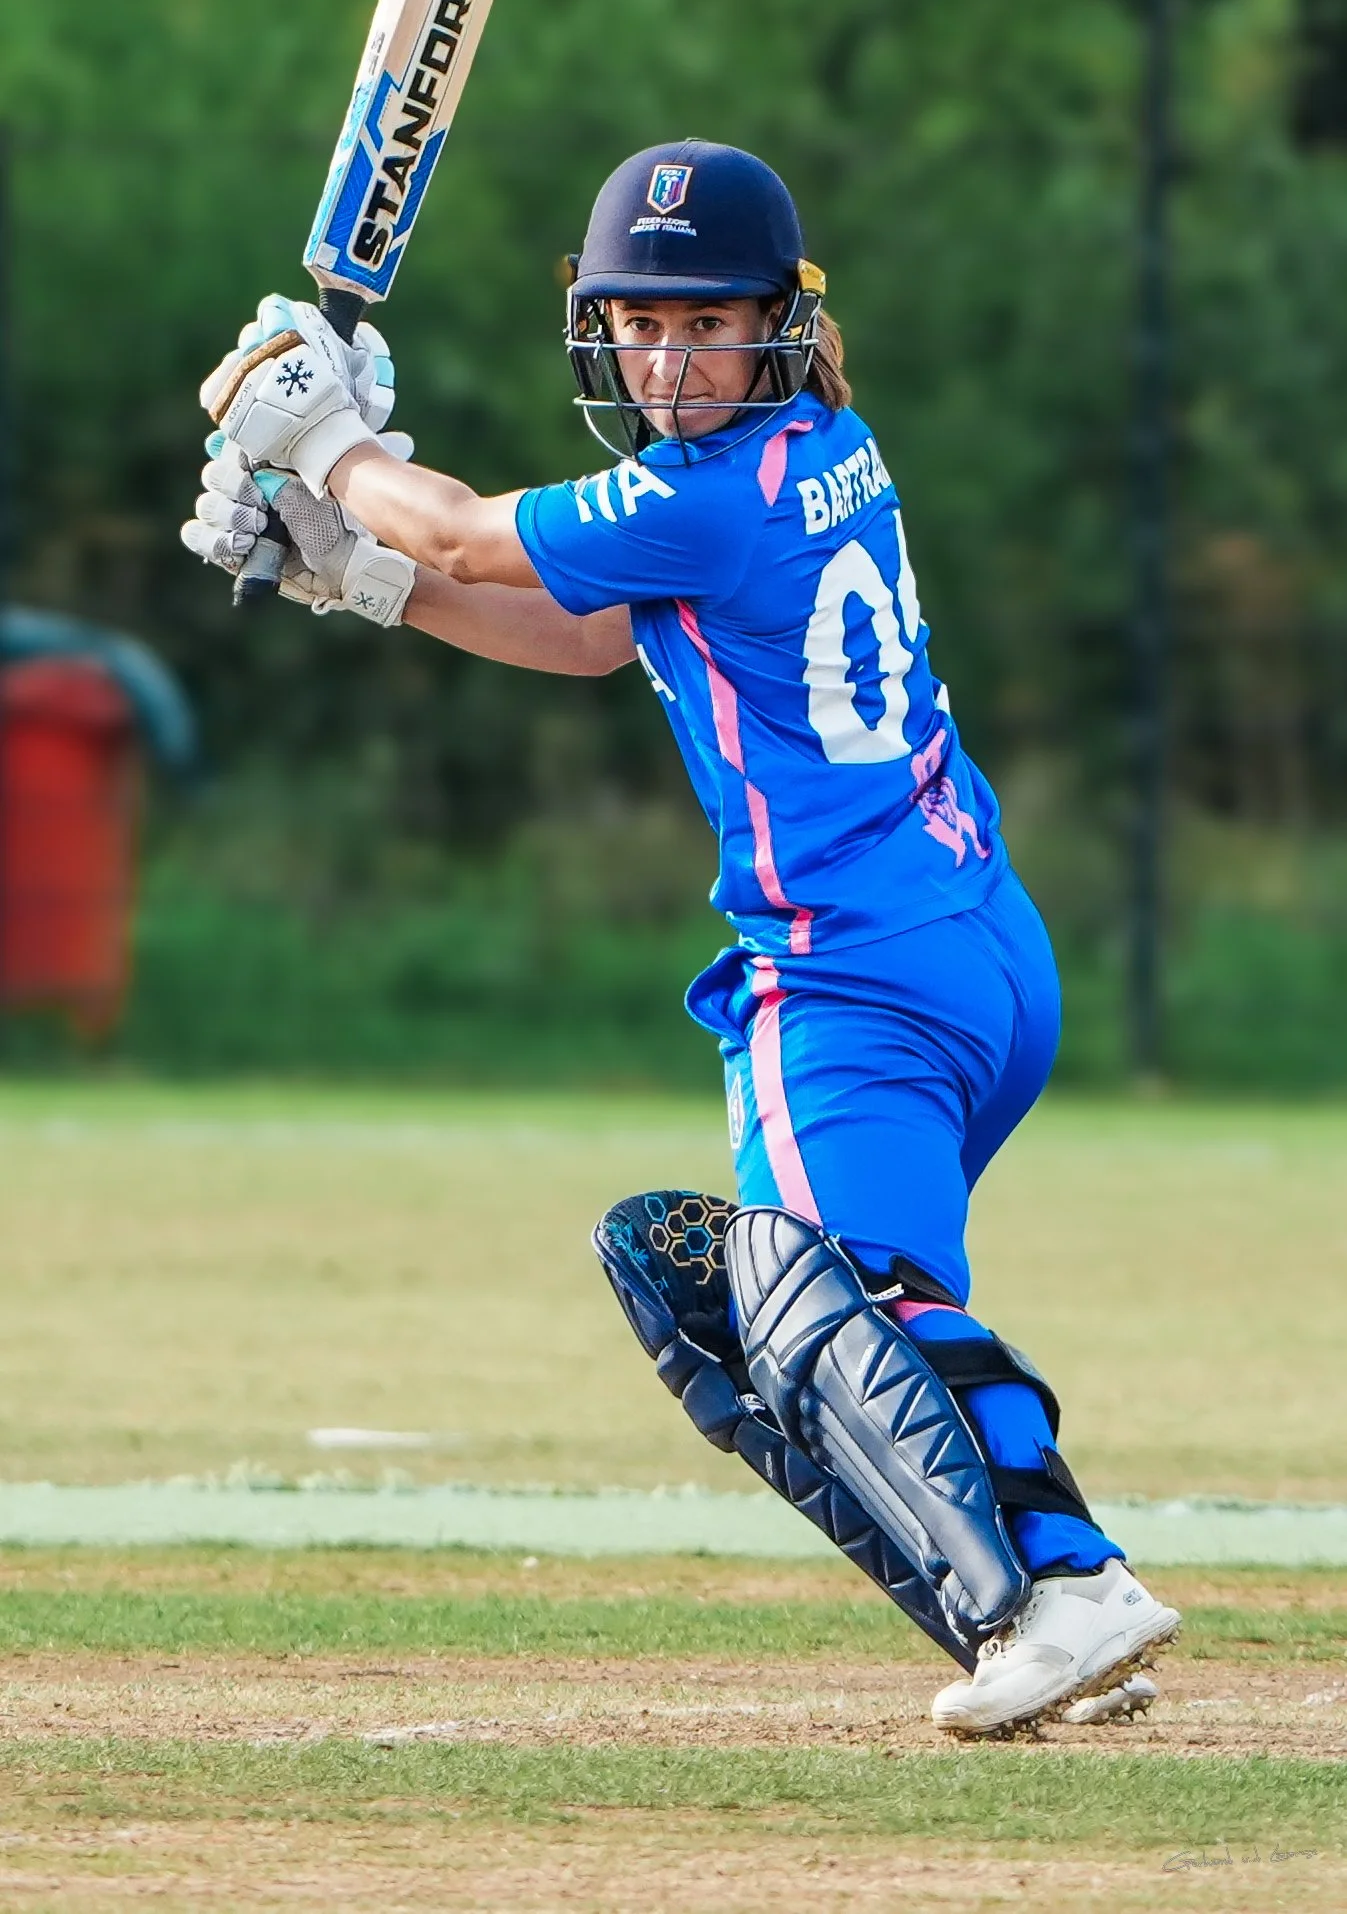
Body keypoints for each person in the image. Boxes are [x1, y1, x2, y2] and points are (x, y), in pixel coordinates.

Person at [185, 138, 1179, 1735]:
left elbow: (459, 529)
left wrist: (326, 439)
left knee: (821, 1302)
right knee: (731, 1287)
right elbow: (578, 630)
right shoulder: (806, 451)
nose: (665, 355)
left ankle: (1061, 1585)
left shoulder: (705, 494)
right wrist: (350, 565)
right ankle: (1018, 1622)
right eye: (637, 325)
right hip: (980, 950)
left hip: (847, 972)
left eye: (701, 322)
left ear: (777, 321)